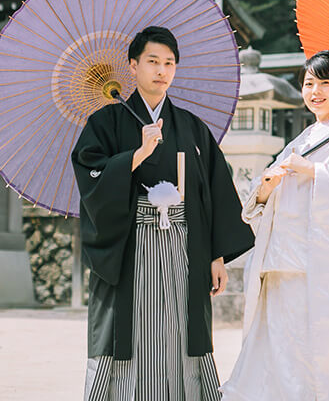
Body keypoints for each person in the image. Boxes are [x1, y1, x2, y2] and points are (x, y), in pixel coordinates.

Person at [72, 25, 254, 401]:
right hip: (130, 245)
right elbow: (91, 178)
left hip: (185, 246)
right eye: (152, 61)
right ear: (133, 65)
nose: (161, 70)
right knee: (130, 331)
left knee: (181, 329)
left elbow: (213, 191)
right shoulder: (105, 123)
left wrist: (216, 255)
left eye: (169, 63)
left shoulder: (191, 126)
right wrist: (137, 155)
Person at [223, 49, 329, 401]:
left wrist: (314, 171)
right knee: (280, 349)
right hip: (282, 262)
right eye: (309, 83)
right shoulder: (302, 140)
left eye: (326, 83)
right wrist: (266, 190)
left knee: (319, 350)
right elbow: (266, 201)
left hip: (320, 268)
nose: (315, 91)